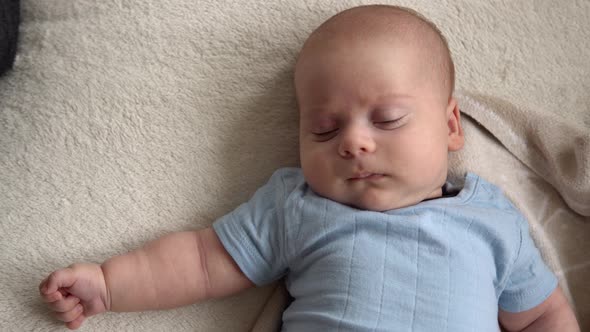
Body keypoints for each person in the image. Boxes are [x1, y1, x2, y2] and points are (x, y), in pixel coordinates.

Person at [39, 5, 580, 331]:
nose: (354, 142)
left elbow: (538, 316)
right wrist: (110, 284)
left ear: (450, 126)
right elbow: (204, 261)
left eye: (388, 119)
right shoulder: (298, 205)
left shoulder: (492, 219)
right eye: (324, 129)